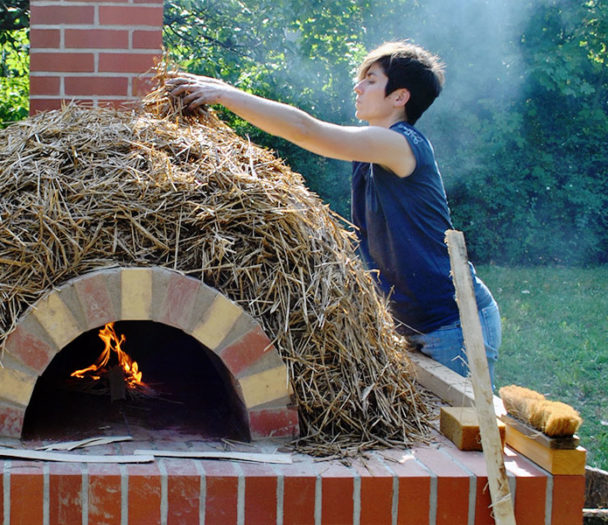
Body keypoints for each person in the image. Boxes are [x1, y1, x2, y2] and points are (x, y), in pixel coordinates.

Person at [167, 41, 500, 382]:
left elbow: (306, 130)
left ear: (400, 97)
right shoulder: (370, 150)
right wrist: (216, 88)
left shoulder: (401, 143)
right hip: (413, 324)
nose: (358, 86)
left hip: (454, 326)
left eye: (371, 80)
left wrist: (223, 95)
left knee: (461, 430)